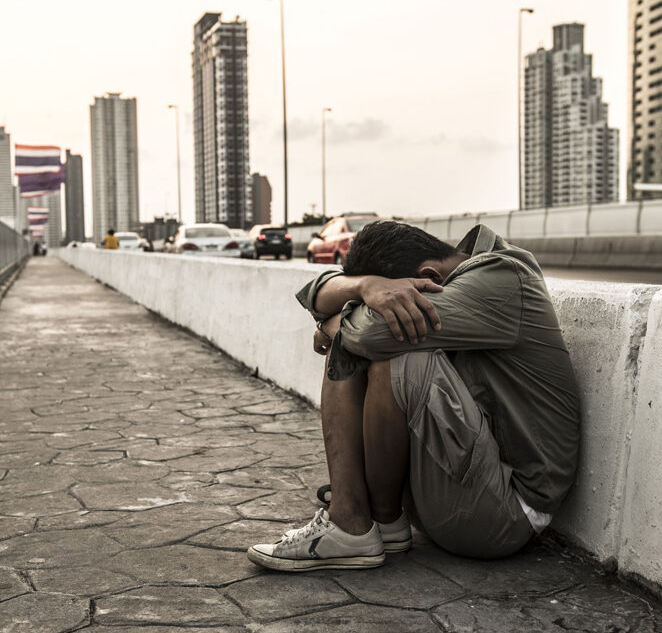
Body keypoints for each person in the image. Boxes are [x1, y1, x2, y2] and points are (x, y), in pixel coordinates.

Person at [248, 221, 581, 571]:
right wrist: (364, 287)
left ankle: (369, 521)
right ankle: (359, 520)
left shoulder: (503, 276)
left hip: (506, 513)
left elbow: (372, 333)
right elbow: (319, 292)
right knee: (359, 343)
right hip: (459, 485)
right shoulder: (458, 271)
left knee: (396, 350)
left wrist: (331, 324)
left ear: (428, 277)